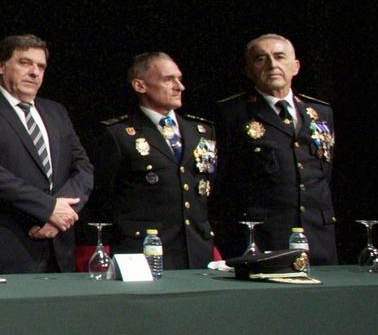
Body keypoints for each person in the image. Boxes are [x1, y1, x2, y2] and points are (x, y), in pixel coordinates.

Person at [0, 34, 94, 274]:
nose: (34, 72)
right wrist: (48, 208)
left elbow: (83, 167)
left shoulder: (56, 111)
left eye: (41, 66)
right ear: (0, 65)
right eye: (25, 63)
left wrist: (61, 214)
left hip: (59, 248)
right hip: (9, 248)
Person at [214, 33, 337, 263]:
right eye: (261, 58)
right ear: (249, 71)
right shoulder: (232, 113)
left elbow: (324, 173)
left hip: (318, 235)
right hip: (264, 236)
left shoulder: (321, 112)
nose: (272, 64)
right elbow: (223, 181)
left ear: (296, 66)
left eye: (280, 56)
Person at [90, 52, 217, 268]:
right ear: (140, 86)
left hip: (196, 250)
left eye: (179, 78)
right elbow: (102, 198)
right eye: (169, 79)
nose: (180, 86)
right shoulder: (119, 134)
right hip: (142, 252)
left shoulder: (202, 131)